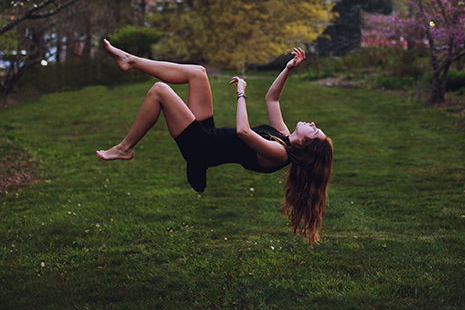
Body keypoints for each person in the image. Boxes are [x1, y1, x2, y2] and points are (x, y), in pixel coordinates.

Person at [96, 41, 333, 244]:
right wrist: (288, 68)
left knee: (160, 91)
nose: (312, 124)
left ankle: (124, 148)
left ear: (304, 145)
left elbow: (243, 131)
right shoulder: (282, 136)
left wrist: (241, 93)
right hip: (209, 136)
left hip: (200, 148)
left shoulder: (279, 153)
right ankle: (130, 60)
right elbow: (272, 99)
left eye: (315, 131)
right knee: (198, 72)